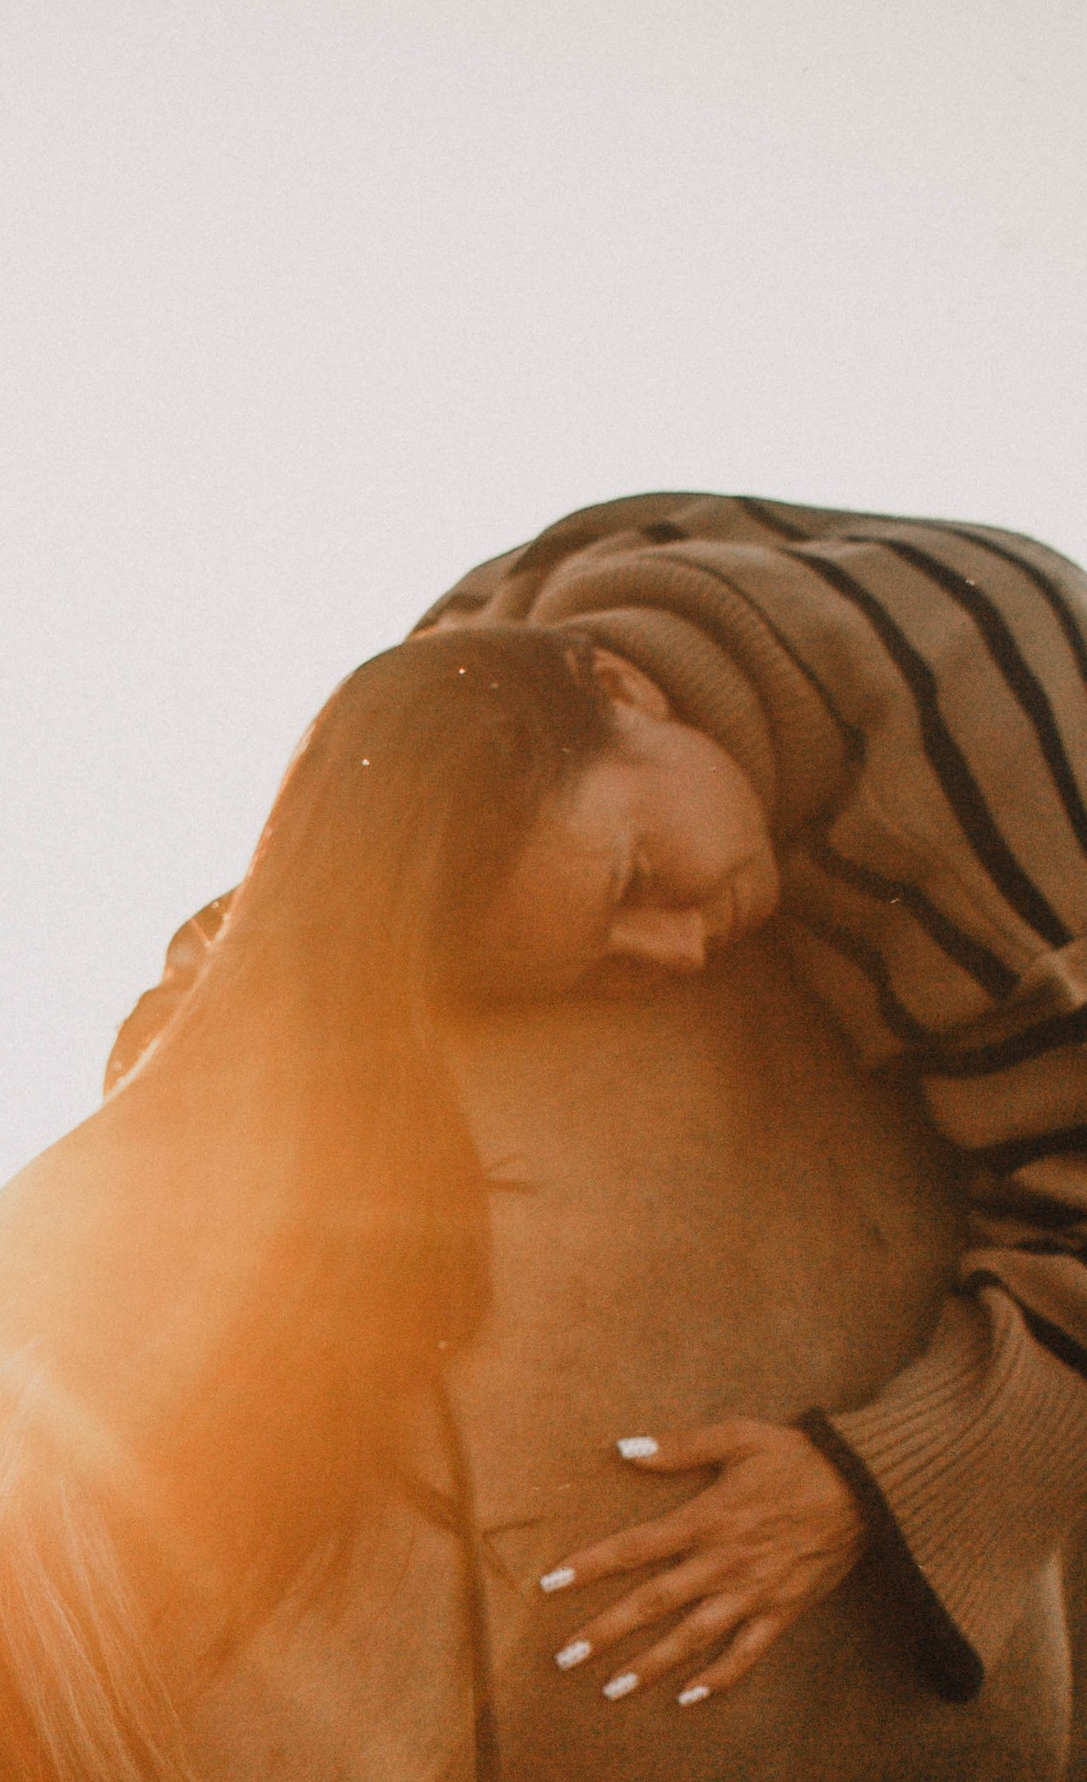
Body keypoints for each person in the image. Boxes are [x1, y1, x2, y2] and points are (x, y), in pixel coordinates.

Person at [112, 495, 1087, 1708]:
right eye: (604, 962)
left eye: (636, 879)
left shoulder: (981, 835)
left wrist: (870, 1481)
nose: (676, 947)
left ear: (622, 688)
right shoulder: (477, 654)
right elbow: (299, 913)